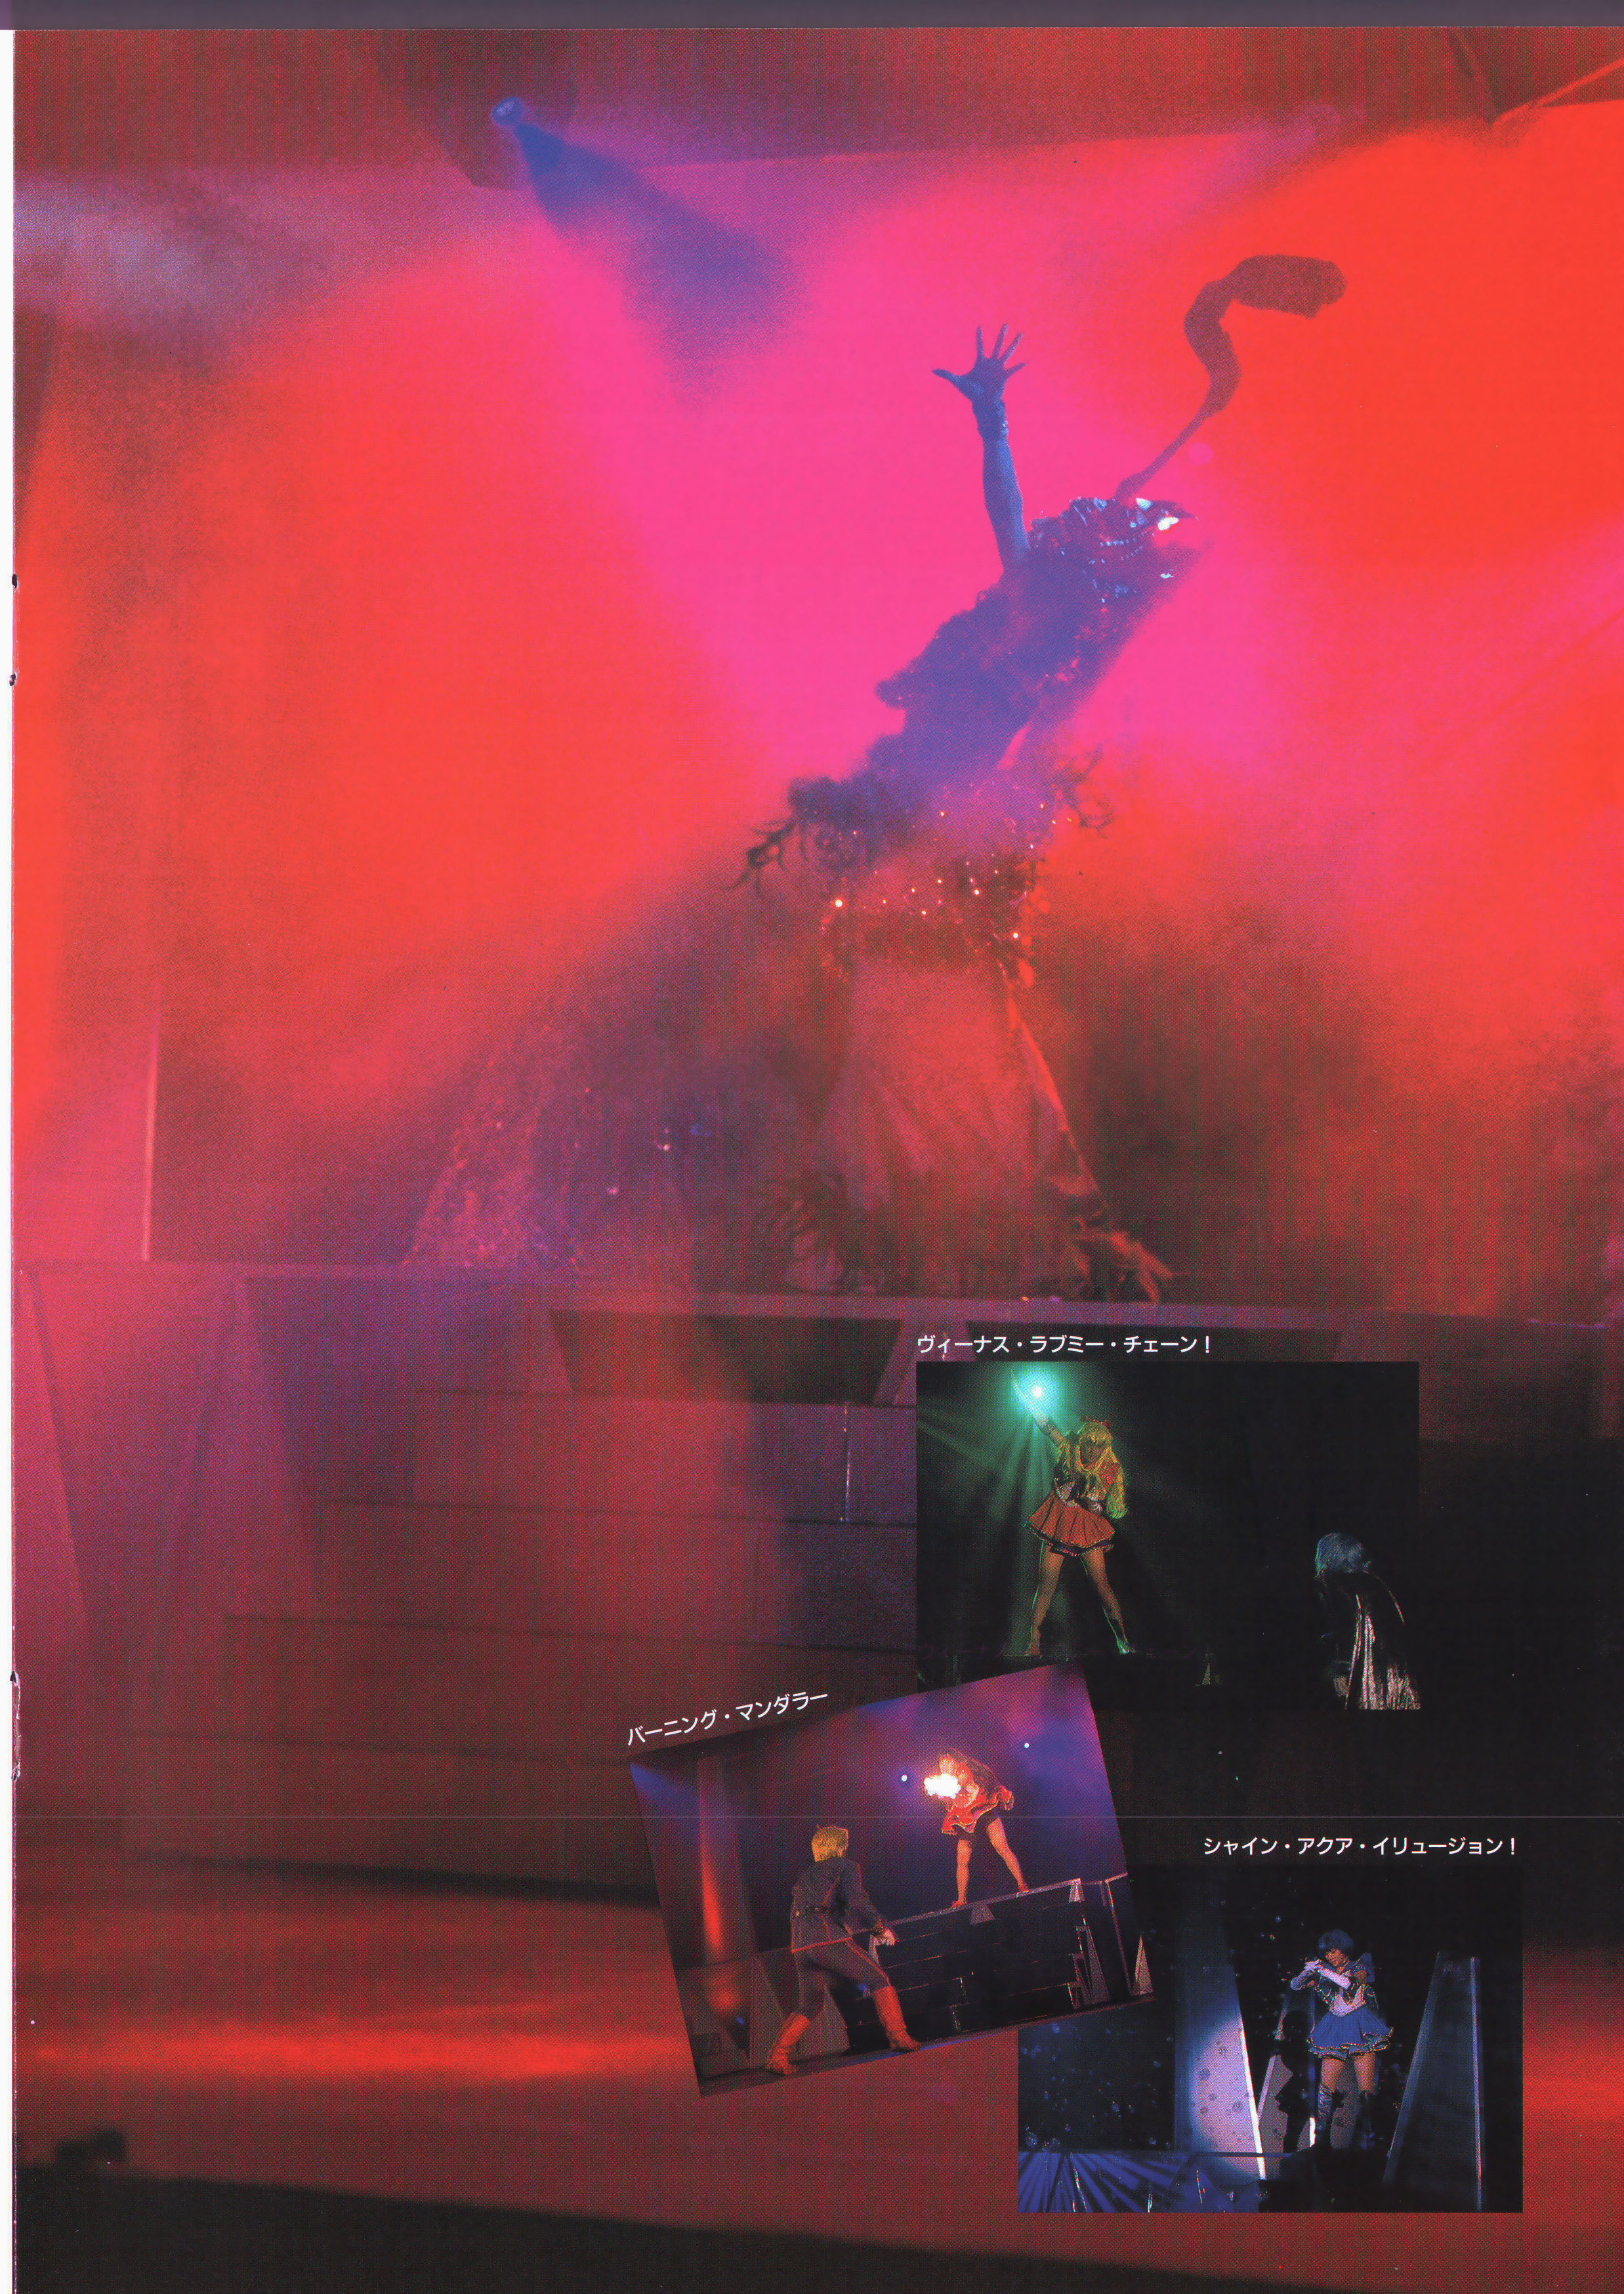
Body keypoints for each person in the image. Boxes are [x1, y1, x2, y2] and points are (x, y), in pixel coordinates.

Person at [763, 1824, 921, 2075]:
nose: (848, 1847)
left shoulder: (805, 1876)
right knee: (879, 1979)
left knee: (810, 2004)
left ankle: (777, 2057)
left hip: (801, 1946)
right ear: (838, 1846)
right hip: (828, 1939)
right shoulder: (845, 1866)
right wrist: (879, 1929)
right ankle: (899, 2038)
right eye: (845, 1843)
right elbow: (859, 1902)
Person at [1023, 1394, 1133, 1657]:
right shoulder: (1068, 1448)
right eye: (1089, 1444)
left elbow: (1100, 1504)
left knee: (1102, 1584)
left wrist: (1094, 1504)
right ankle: (1033, 1643)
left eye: (1098, 1446)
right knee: (1047, 1585)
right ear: (1082, 1441)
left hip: (1086, 1525)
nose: (1092, 1450)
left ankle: (1123, 1641)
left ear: (1104, 1447)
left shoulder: (1108, 1468)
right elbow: (1047, 1427)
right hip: (1059, 1520)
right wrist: (1027, 1399)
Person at [1289, 1929, 1392, 2153]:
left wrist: (1324, 1971)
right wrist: (1307, 1971)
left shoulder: (1360, 1965)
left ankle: (1369, 2141)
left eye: (1333, 1951)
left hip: (1360, 2026)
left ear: (1344, 1949)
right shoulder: (1325, 1971)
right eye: (1326, 1953)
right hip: (1335, 2027)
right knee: (1326, 2088)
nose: (1330, 1956)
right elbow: (1295, 1986)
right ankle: (1322, 2141)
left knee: (1366, 2091)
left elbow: (1351, 1985)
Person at [1314, 1535, 1421, 1711]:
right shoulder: (1376, 1582)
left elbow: (1346, 1630)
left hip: (1366, 1674)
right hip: (1395, 1673)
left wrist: (1340, 1668)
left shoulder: (1339, 1585)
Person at [928, 1748, 1028, 1906]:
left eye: (945, 1762)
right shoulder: (949, 1777)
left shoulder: (964, 1771)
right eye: (941, 1764)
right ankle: (962, 1900)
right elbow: (951, 1797)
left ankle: (1022, 1885)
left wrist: (943, 1787)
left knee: (1002, 1847)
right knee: (962, 1860)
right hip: (967, 1819)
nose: (942, 1767)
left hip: (983, 1812)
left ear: (954, 1760)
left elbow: (960, 1783)